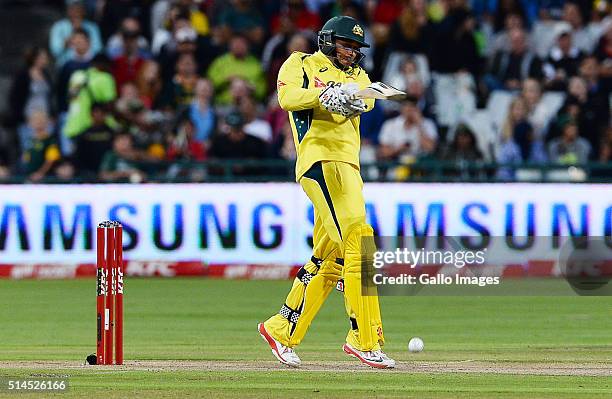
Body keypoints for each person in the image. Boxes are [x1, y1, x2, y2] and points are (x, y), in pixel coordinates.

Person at [257, 15, 396, 369]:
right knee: (358, 240)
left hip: (348, 167)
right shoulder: (301, 63)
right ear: (327, 40)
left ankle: (282, 328)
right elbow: (287, 98)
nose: (351, 53)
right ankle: (364, 338)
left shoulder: (360, 77)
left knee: (331, 257)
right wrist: (324, 95)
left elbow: (365, 101)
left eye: (356, 48)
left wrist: (344, 96)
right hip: (320, 161)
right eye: (346, 44)